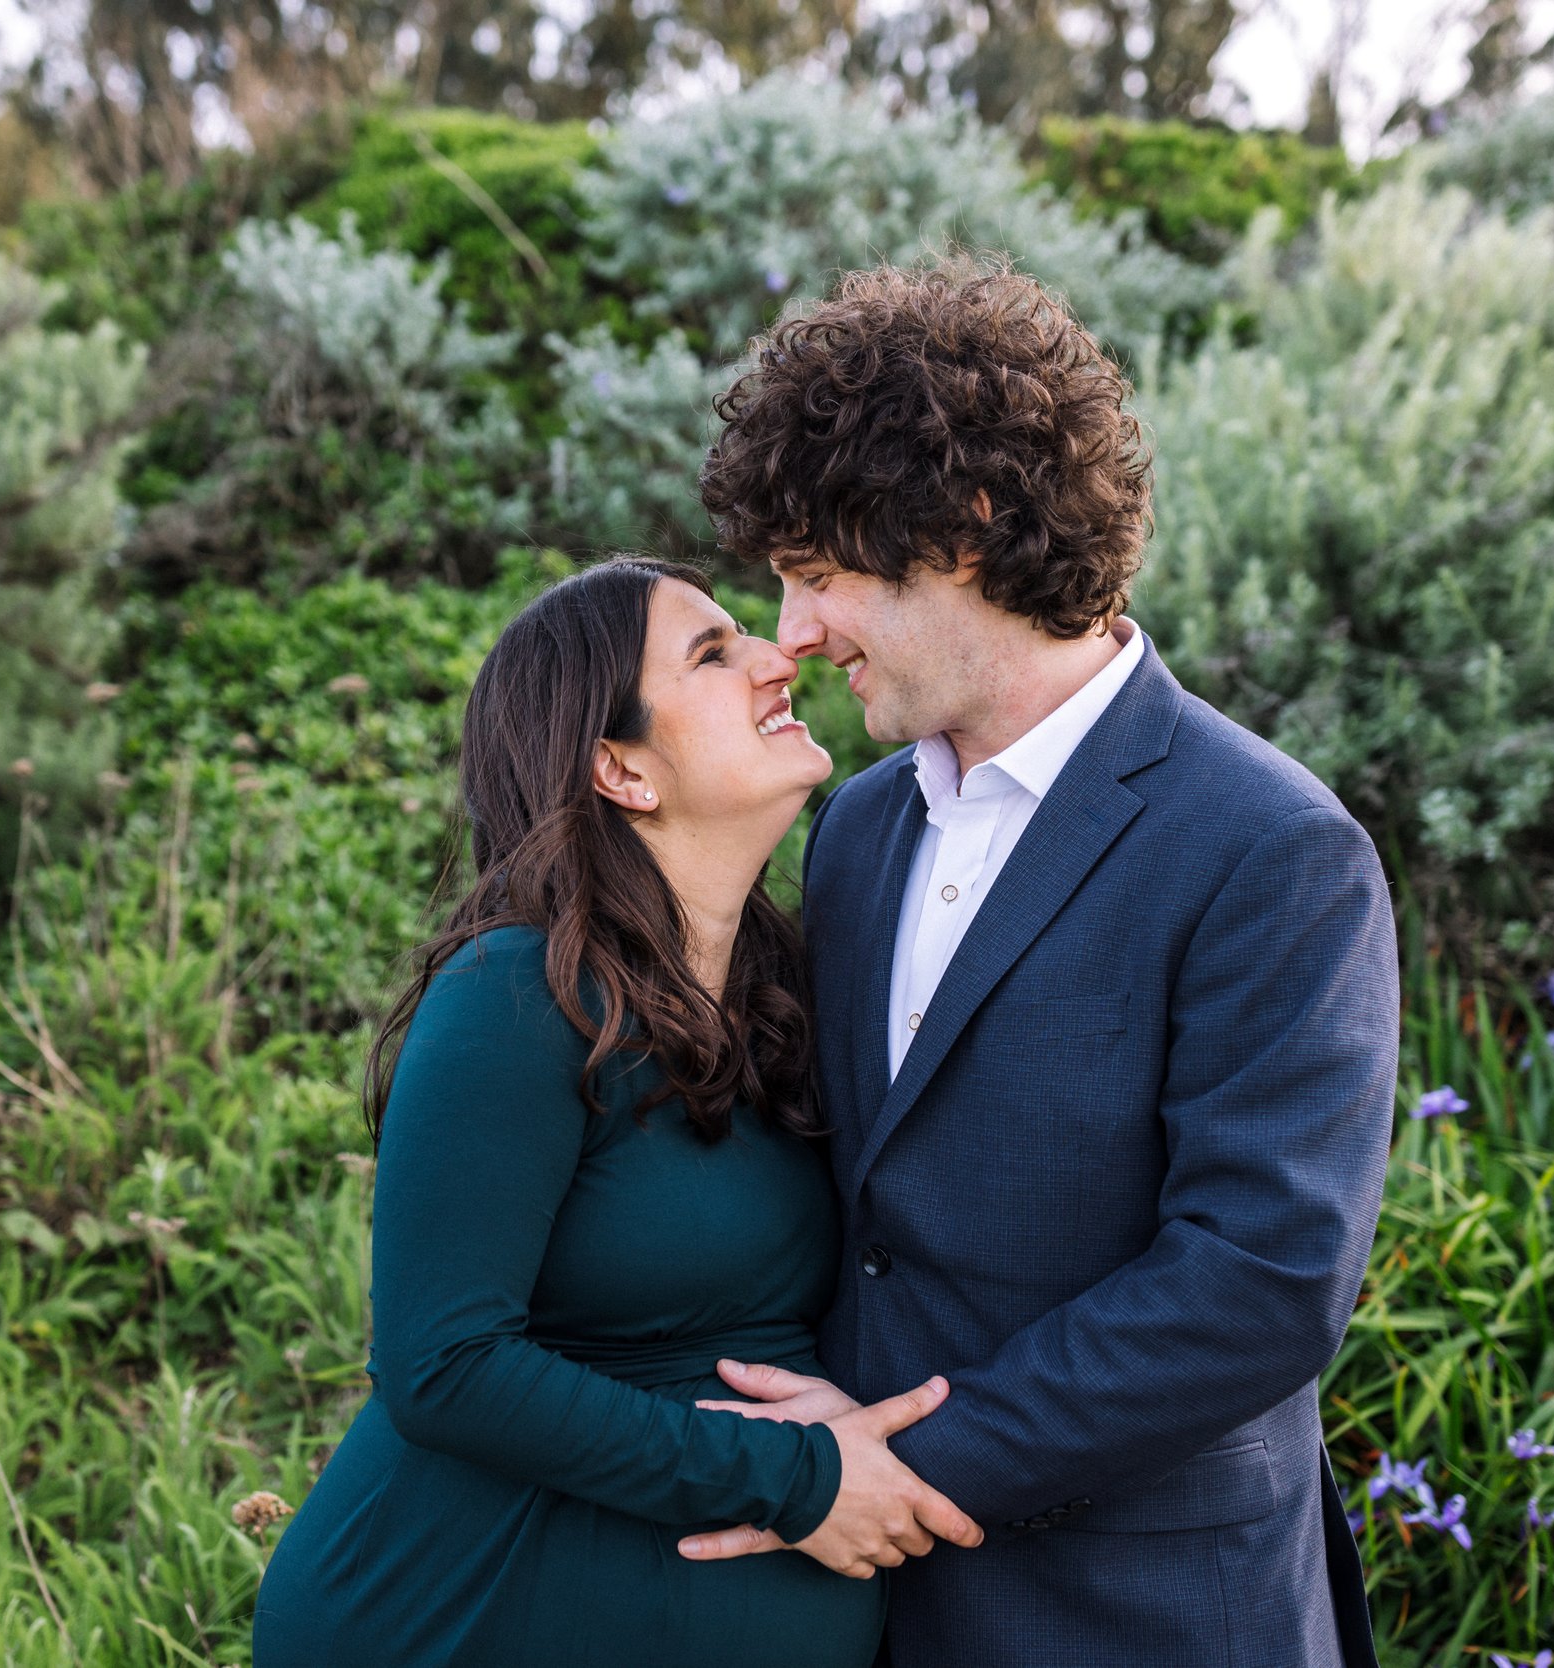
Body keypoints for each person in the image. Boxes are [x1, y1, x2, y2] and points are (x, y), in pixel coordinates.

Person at [678, 261, 1401, 1668]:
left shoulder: (1271, 850)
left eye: (820, 576)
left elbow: (1260, 1279)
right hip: (870, 1610)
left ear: (967, 528)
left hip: (1148, 1616)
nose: (792, 636)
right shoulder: (862, 827)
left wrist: (903, 1473)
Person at [251, 557, 982, 1668]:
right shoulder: (517, 997)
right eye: (712, 651)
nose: (777, 656)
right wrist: (792, 1479)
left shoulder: (784, 993)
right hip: (446, 1622)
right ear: (620, 767)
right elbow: (440, 1362)